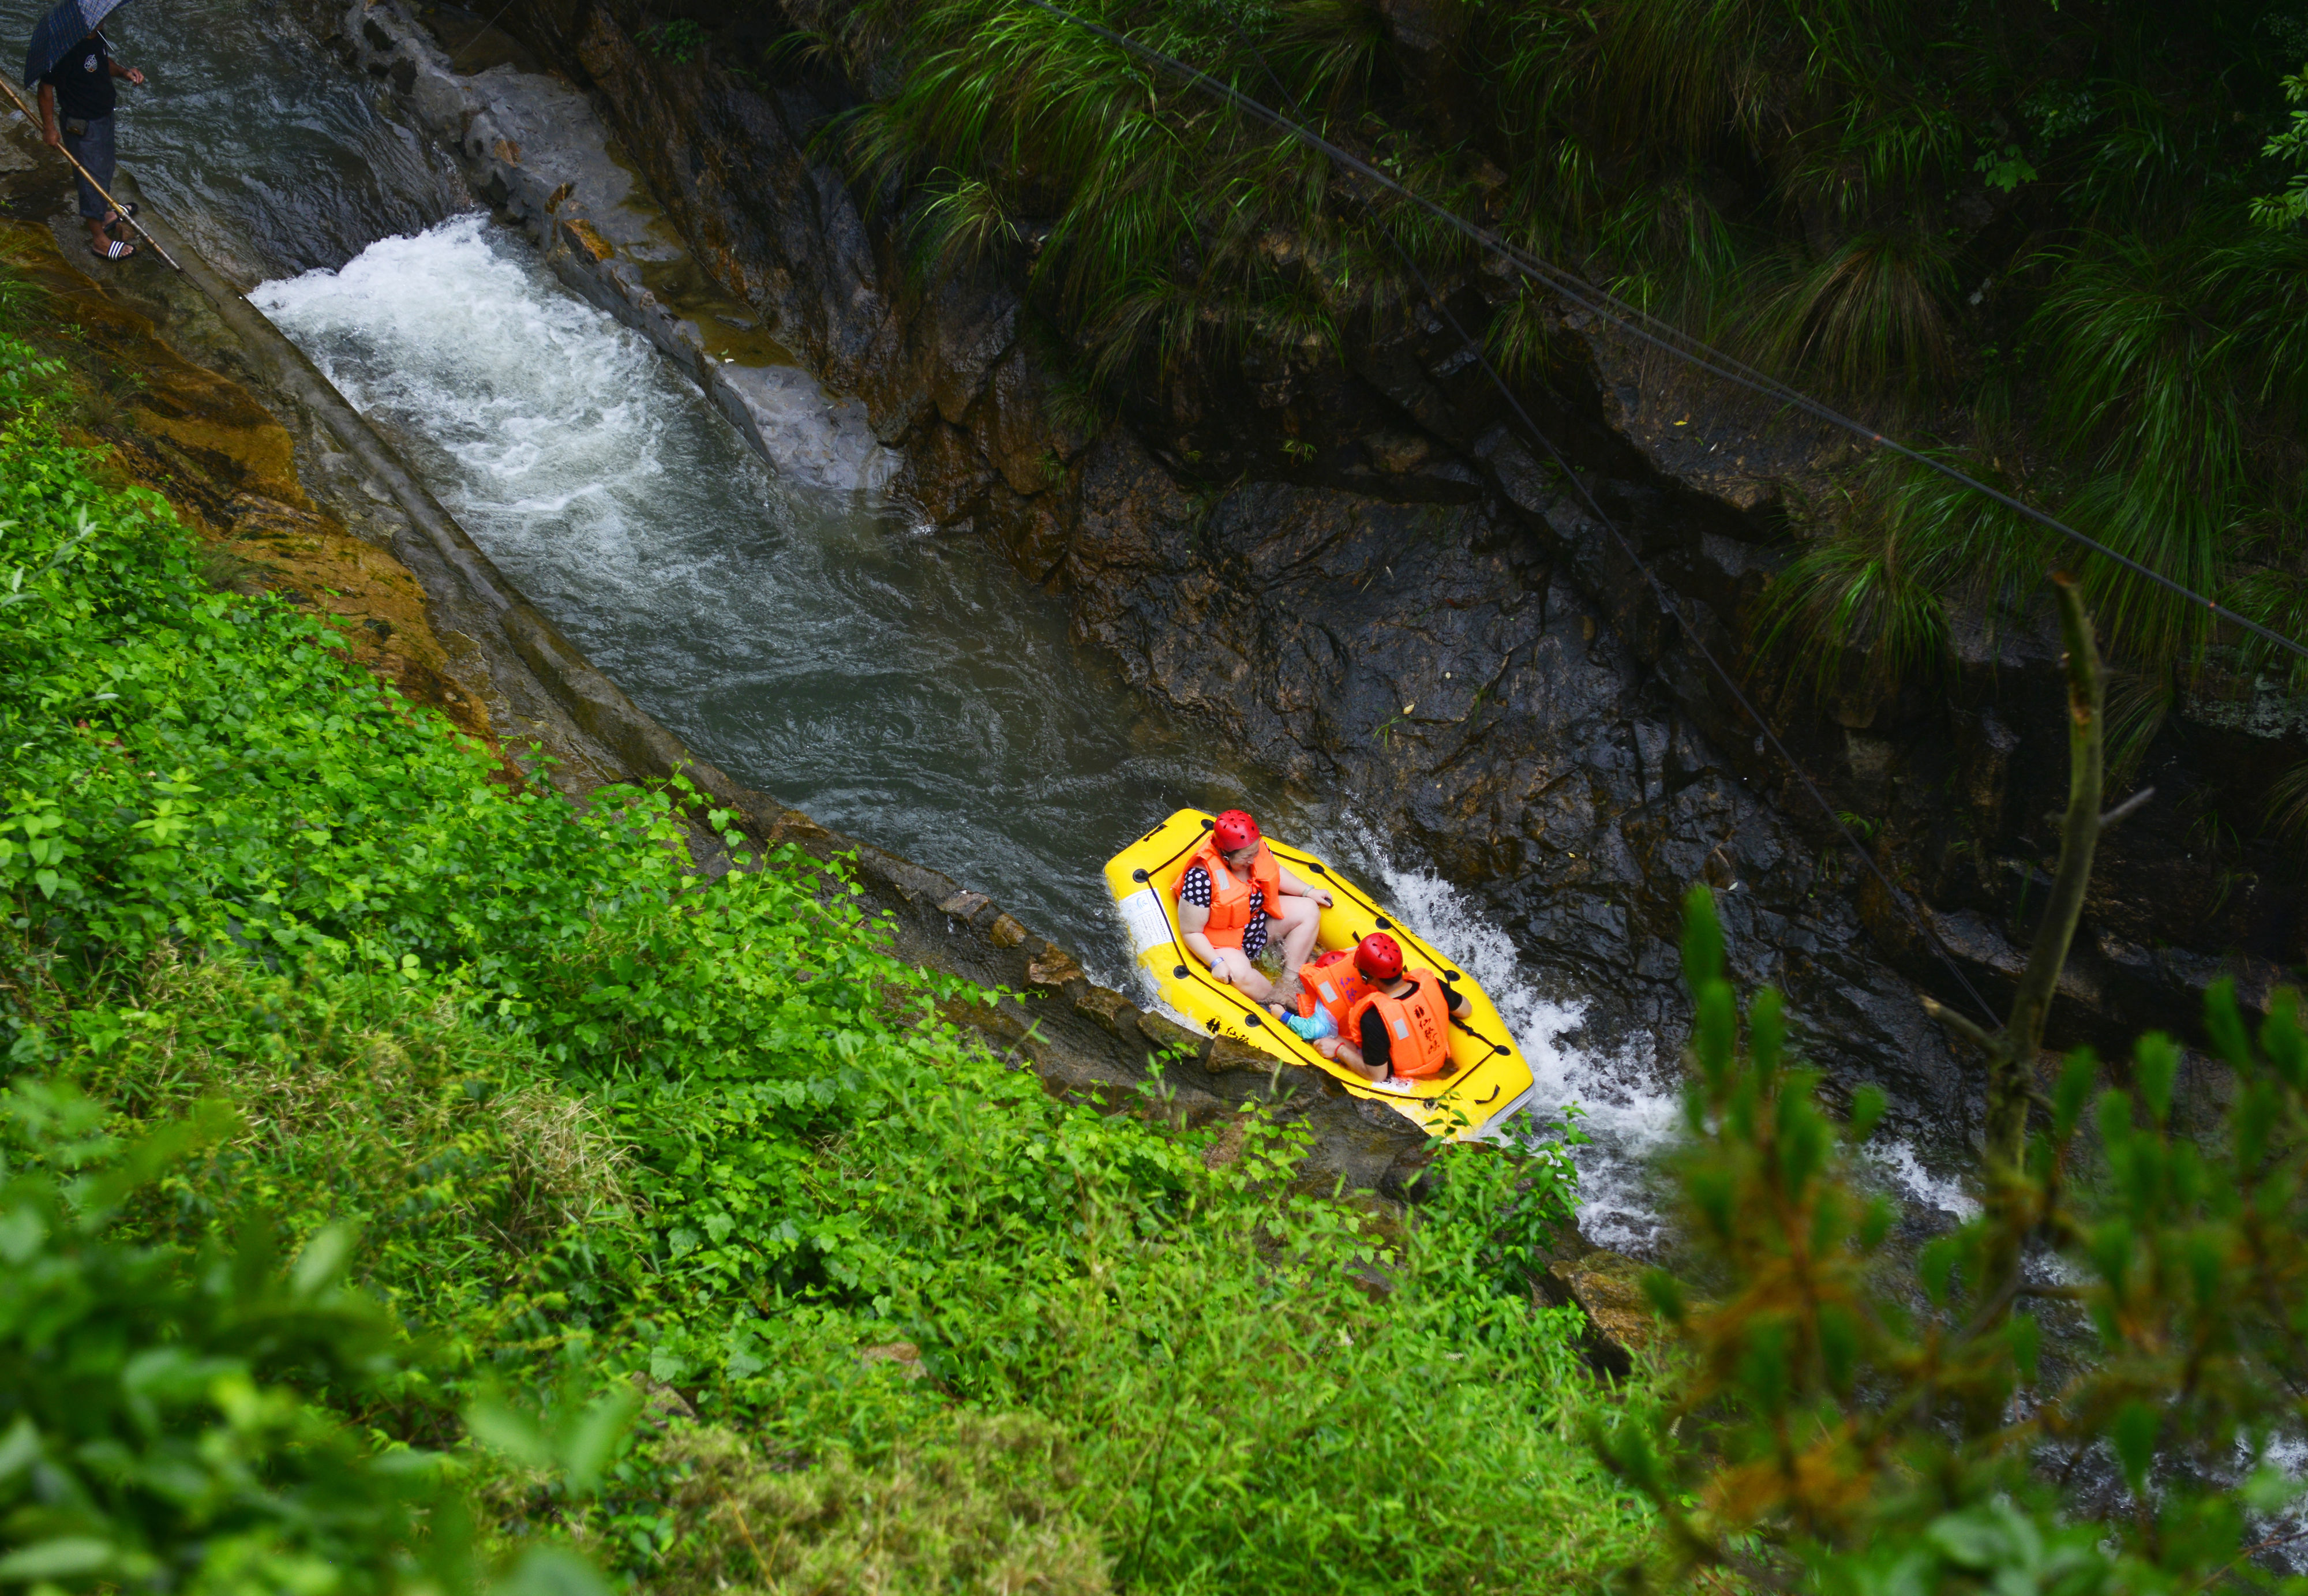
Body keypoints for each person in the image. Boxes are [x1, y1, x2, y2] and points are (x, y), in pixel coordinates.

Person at [1173, 808, 1331, 1004]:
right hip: (1225, 941)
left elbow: (1274, 871)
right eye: (1246, 857)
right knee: (1240, 974)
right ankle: (1277, 1000)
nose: (1253, 860)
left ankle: (1289, 981)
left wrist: (1308, 892)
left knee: (1309, 909)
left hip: (1258, 922)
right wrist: (1216, 962)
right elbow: (1191, 932)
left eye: (1254, 853)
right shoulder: (1201, 877)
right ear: (1225, 856)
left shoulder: (1256, 851)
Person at [38, 27, 145, 261]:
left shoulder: (98, 34)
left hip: (104, 115)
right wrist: (49, 128)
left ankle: (103, 213)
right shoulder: (64, 47)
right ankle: (99, 241)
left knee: (105, 168)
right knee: (90, 176)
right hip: (82, 122)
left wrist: (125, 73)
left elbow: (102, 63)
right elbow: (45, 90)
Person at [1326, 932, 1469, 1092]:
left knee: (1334, 1036)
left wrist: (1340, 1050)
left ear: (1367, 977)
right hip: (1443, 1064)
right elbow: (1466, 1010)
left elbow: (1377, 1075)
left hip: (1408, 1082)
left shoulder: (1373, 1017)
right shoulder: (1433, 984)